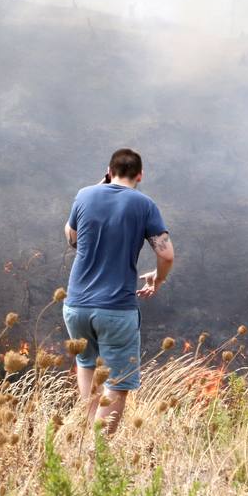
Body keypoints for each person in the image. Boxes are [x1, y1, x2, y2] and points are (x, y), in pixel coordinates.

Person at [62, 147, 174, 433]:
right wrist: (157, 279)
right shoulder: (144, 204)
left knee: (87, 366)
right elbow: (166, 255)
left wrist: (100, 185)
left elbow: (71, 236)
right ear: (140, 175)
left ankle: (88, 437)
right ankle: (98, 454)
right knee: (118, 383)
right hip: (115, 309)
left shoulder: (85, 195)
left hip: (76, 306)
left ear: (109, 171)